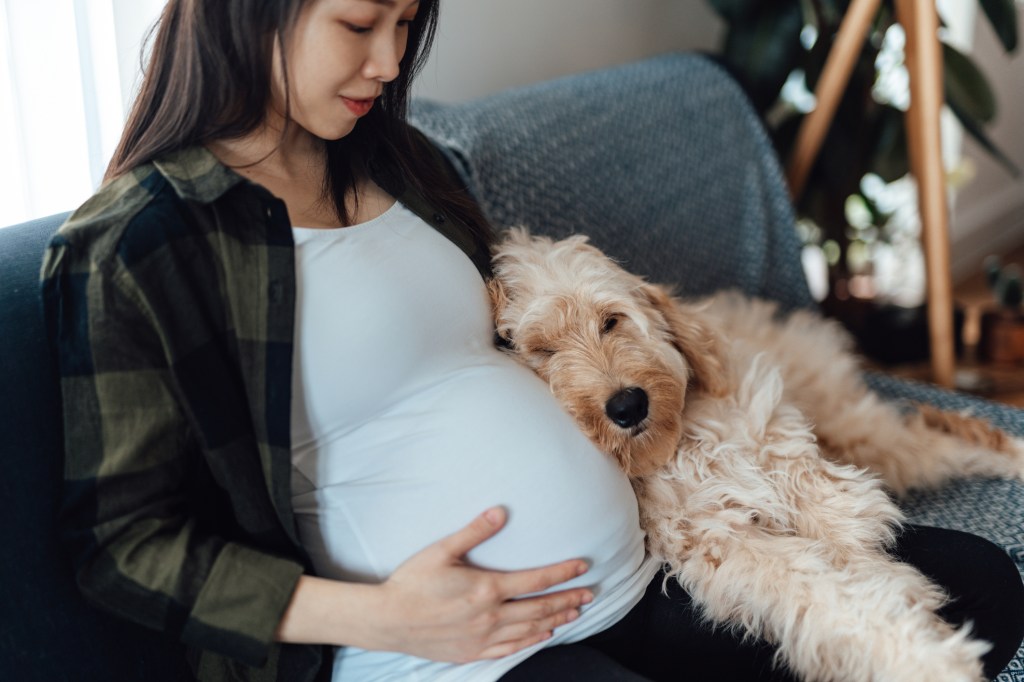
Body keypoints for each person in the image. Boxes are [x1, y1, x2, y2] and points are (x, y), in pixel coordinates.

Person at [40, 1, 1024, 681]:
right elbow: (120, 546)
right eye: (356, 25)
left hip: (649, 562)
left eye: (404, 26)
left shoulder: (401, 161)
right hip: (457, 645)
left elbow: (523, 340)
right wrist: (377, 614)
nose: (387, 63)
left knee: (975, 586)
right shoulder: (138, 245)